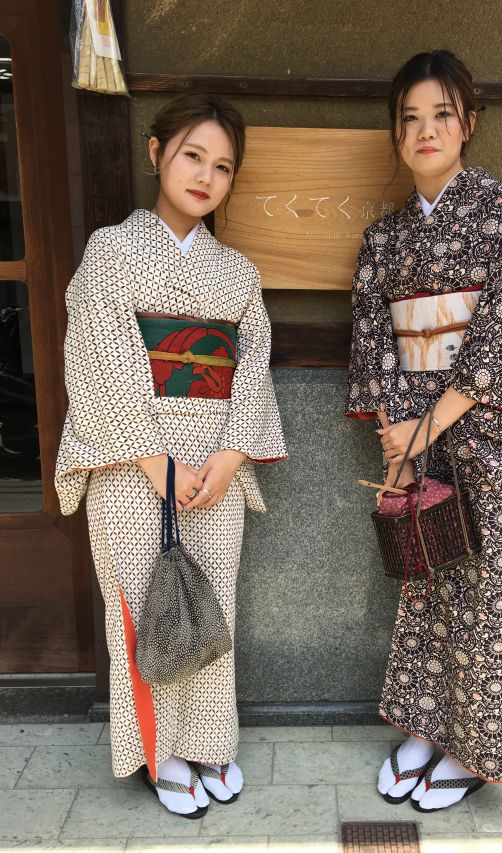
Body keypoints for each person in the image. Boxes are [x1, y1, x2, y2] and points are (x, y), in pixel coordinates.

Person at [55, 93, 287, 818]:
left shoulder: (237, 273)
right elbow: (101, 362)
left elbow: (252, 367)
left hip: (213, 469)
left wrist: (230, 455)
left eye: (223, 166)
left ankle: (209, 741)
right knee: (145, 611)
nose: (206, 176)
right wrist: (158, 464)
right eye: (192, 156)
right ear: (156, 153)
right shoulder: (111, 252)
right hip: (131, 467)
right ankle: (161, 754)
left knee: (213, 609)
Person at [347, 50, 502, 811]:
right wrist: (396, 437)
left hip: (487, 430)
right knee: (425, 582)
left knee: (486, 588)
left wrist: (427, 425)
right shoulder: (385, 239)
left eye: (441, 114)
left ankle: (471, 749)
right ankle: (424, 728)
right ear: (396, 133)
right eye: (410, 118)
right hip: (413, 430)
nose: (425, 131)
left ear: (468, 123)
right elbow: (375, 341)